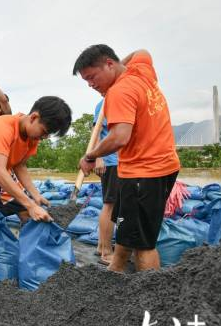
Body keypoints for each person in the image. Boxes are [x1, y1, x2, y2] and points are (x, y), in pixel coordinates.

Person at [73, 44, 180, 273]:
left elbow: (120, 137)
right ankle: (116, 269)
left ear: (109, 64)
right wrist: (119, 66)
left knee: (143, 245)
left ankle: (150, 296)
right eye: (86, 81)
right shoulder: (142, 71)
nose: (91, 85)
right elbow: (143, 51)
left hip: (145, 173)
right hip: (156, 167)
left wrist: (91, 155)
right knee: (125, 225)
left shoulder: (118, 92)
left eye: (92, 77)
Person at [0, 96, 72, 299]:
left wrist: (35, 196)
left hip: (2, 171)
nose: (43, 138)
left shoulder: (31, 137)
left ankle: (30, 267)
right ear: (34, 117)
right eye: (44, 132)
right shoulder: (3, 127)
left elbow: (19, 165)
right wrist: (29, 202)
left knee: (29, 214)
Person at [92, 99, 119, 265]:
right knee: (111, 205)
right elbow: (96, 131)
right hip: (111, 161)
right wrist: (98, 157)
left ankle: (101, 246)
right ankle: (107, 251)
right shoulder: (105, 102)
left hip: (117, 161)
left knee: (111, 204)